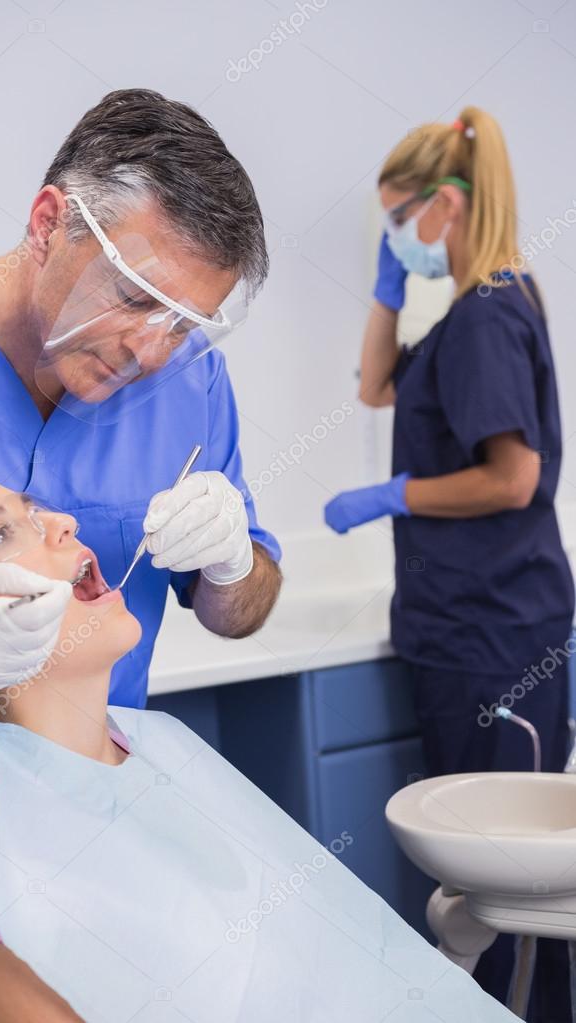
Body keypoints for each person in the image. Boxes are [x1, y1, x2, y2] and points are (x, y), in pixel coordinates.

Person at [0, 475, 519, 1023]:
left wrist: (236, 560)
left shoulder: (151, 745)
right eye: (1, 536)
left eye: (34, 510)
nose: (62, 523)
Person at [0, 88, 281, 709]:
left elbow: (240, 615)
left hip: (100, 788)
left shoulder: (190, 383)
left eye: (184, 323)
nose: (152, 354)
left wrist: (230, 565)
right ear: (49, 225)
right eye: (134, 298)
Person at [324, 106, 574, 1018]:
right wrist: (390, 289)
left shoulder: (485, 318)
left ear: (448, 205)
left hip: (495, 632)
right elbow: (374, 386)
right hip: (469, 626)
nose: (397, 237)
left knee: (504, 889)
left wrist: (392, 496)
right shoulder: (480, 304)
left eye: (401, 219)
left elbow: (513, 479)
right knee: (491, 886)